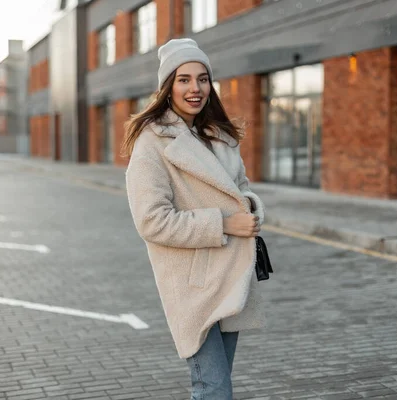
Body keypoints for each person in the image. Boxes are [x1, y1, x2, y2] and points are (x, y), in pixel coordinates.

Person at [122, 38, 266, 400]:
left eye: (202, 79)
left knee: (218, 385)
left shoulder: (220, 136)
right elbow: (151, 220)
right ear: (167, 87)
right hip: (193, 283)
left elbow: (242, 190)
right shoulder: (151, 143)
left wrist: (251, 211)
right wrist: (223, 223)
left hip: (232, 274)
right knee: (214, 389)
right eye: (183, 79)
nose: (195, 88)